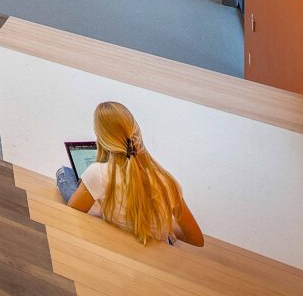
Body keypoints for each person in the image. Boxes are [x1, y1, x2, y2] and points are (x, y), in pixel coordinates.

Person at [55, 101, 204, 247]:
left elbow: (73, 214)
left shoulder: (97, 173)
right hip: (156, 245)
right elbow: (197, 240)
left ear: (102, 139)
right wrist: (165, 225)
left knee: (65, 174)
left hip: (117, 243)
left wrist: (99, 210)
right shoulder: (167, 182)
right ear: (136, 132)